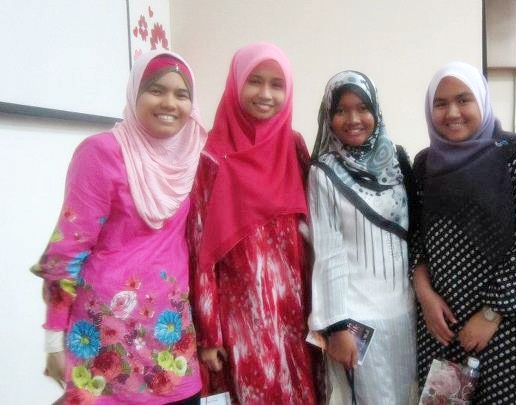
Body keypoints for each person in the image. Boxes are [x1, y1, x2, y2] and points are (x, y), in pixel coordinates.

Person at [31, 50, 207, 404]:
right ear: (135, 93)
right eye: (156, 90)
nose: (169, 103)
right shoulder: (101, 152)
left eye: (181, 94)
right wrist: (53, 339)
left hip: (170, 335)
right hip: (104, 336)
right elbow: (68, 247)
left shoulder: (193, 157)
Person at [409, 62, 516, 404]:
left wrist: (492, 313)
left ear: (482, 101)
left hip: (507, 326)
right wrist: (425, 295)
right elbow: (415, 236)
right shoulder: (424, 164)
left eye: (464, 100)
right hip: (442, 324)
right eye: (440, 103)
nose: (452, 113)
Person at [187, 42, 318, 404]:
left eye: (277, 84)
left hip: (297, 314)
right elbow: (202, 252)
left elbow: (315, 233)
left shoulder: (294, 147)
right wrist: (209, 334)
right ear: (236, 84)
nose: (265, 94)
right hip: (242, 321)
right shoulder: (211, 157)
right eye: (254, 81)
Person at [307, 70, 418, 404]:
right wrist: (337, 326)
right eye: (341, 110)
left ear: (376, 111)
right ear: (329, 116)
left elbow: (415, 236)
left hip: (405, 313)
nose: (353, 119)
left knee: (409, 397)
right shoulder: (324, 171)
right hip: (357, 321)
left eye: (362, 108)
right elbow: (328, 253)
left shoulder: (397, 160)